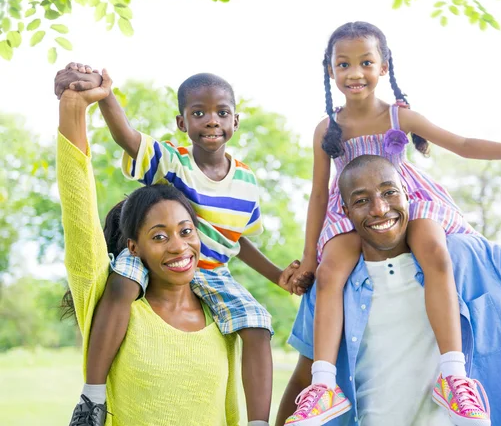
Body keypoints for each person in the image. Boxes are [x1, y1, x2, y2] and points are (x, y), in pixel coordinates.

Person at [285, 21, 501, 425]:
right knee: (331, 273)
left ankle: (453, 375)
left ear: (383, 68)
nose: (354, 72)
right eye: (343, 64)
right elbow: (317, 194)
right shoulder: (326, 129)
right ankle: (324, 384)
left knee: (436, 251)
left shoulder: (399, 116)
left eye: (366, 62)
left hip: (405, 200)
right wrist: (309, 258)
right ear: (330, 71)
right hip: (353, 209)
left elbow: (463, 145)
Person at [54, 64, 310, 426]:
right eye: (198, 113)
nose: (210, 120)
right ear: (181, 122)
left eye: (221, 113)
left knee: (257, 324)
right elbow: (128, 138)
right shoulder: (174, 162)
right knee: (121, 283)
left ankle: (258, 422)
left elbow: (237, 240)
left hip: (214, 272)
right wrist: (106, 96)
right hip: (151, 263)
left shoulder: (247, 181)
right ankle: (92, 396)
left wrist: (278, 276)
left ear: (235, 121)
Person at [278, 148, 501, 426]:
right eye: (361, 200)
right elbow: (305, 378)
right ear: (344, 212)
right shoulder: (332, 281)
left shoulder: (470, 258)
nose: (379, 209)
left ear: (407, 195)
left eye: (389, 193)